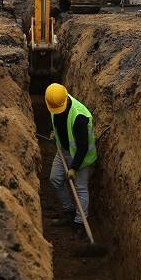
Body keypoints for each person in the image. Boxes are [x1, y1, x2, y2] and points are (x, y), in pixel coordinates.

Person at [45, 83, 97, 239]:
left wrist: (74, 167)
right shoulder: (55, 103)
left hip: (81, 156)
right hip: (63, 151)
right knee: (55, 179)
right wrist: (53, 132)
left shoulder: (79, 116)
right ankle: (68, 211)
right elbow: (57, 121)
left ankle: (80, 222)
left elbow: (82, 147)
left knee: (80, 188)